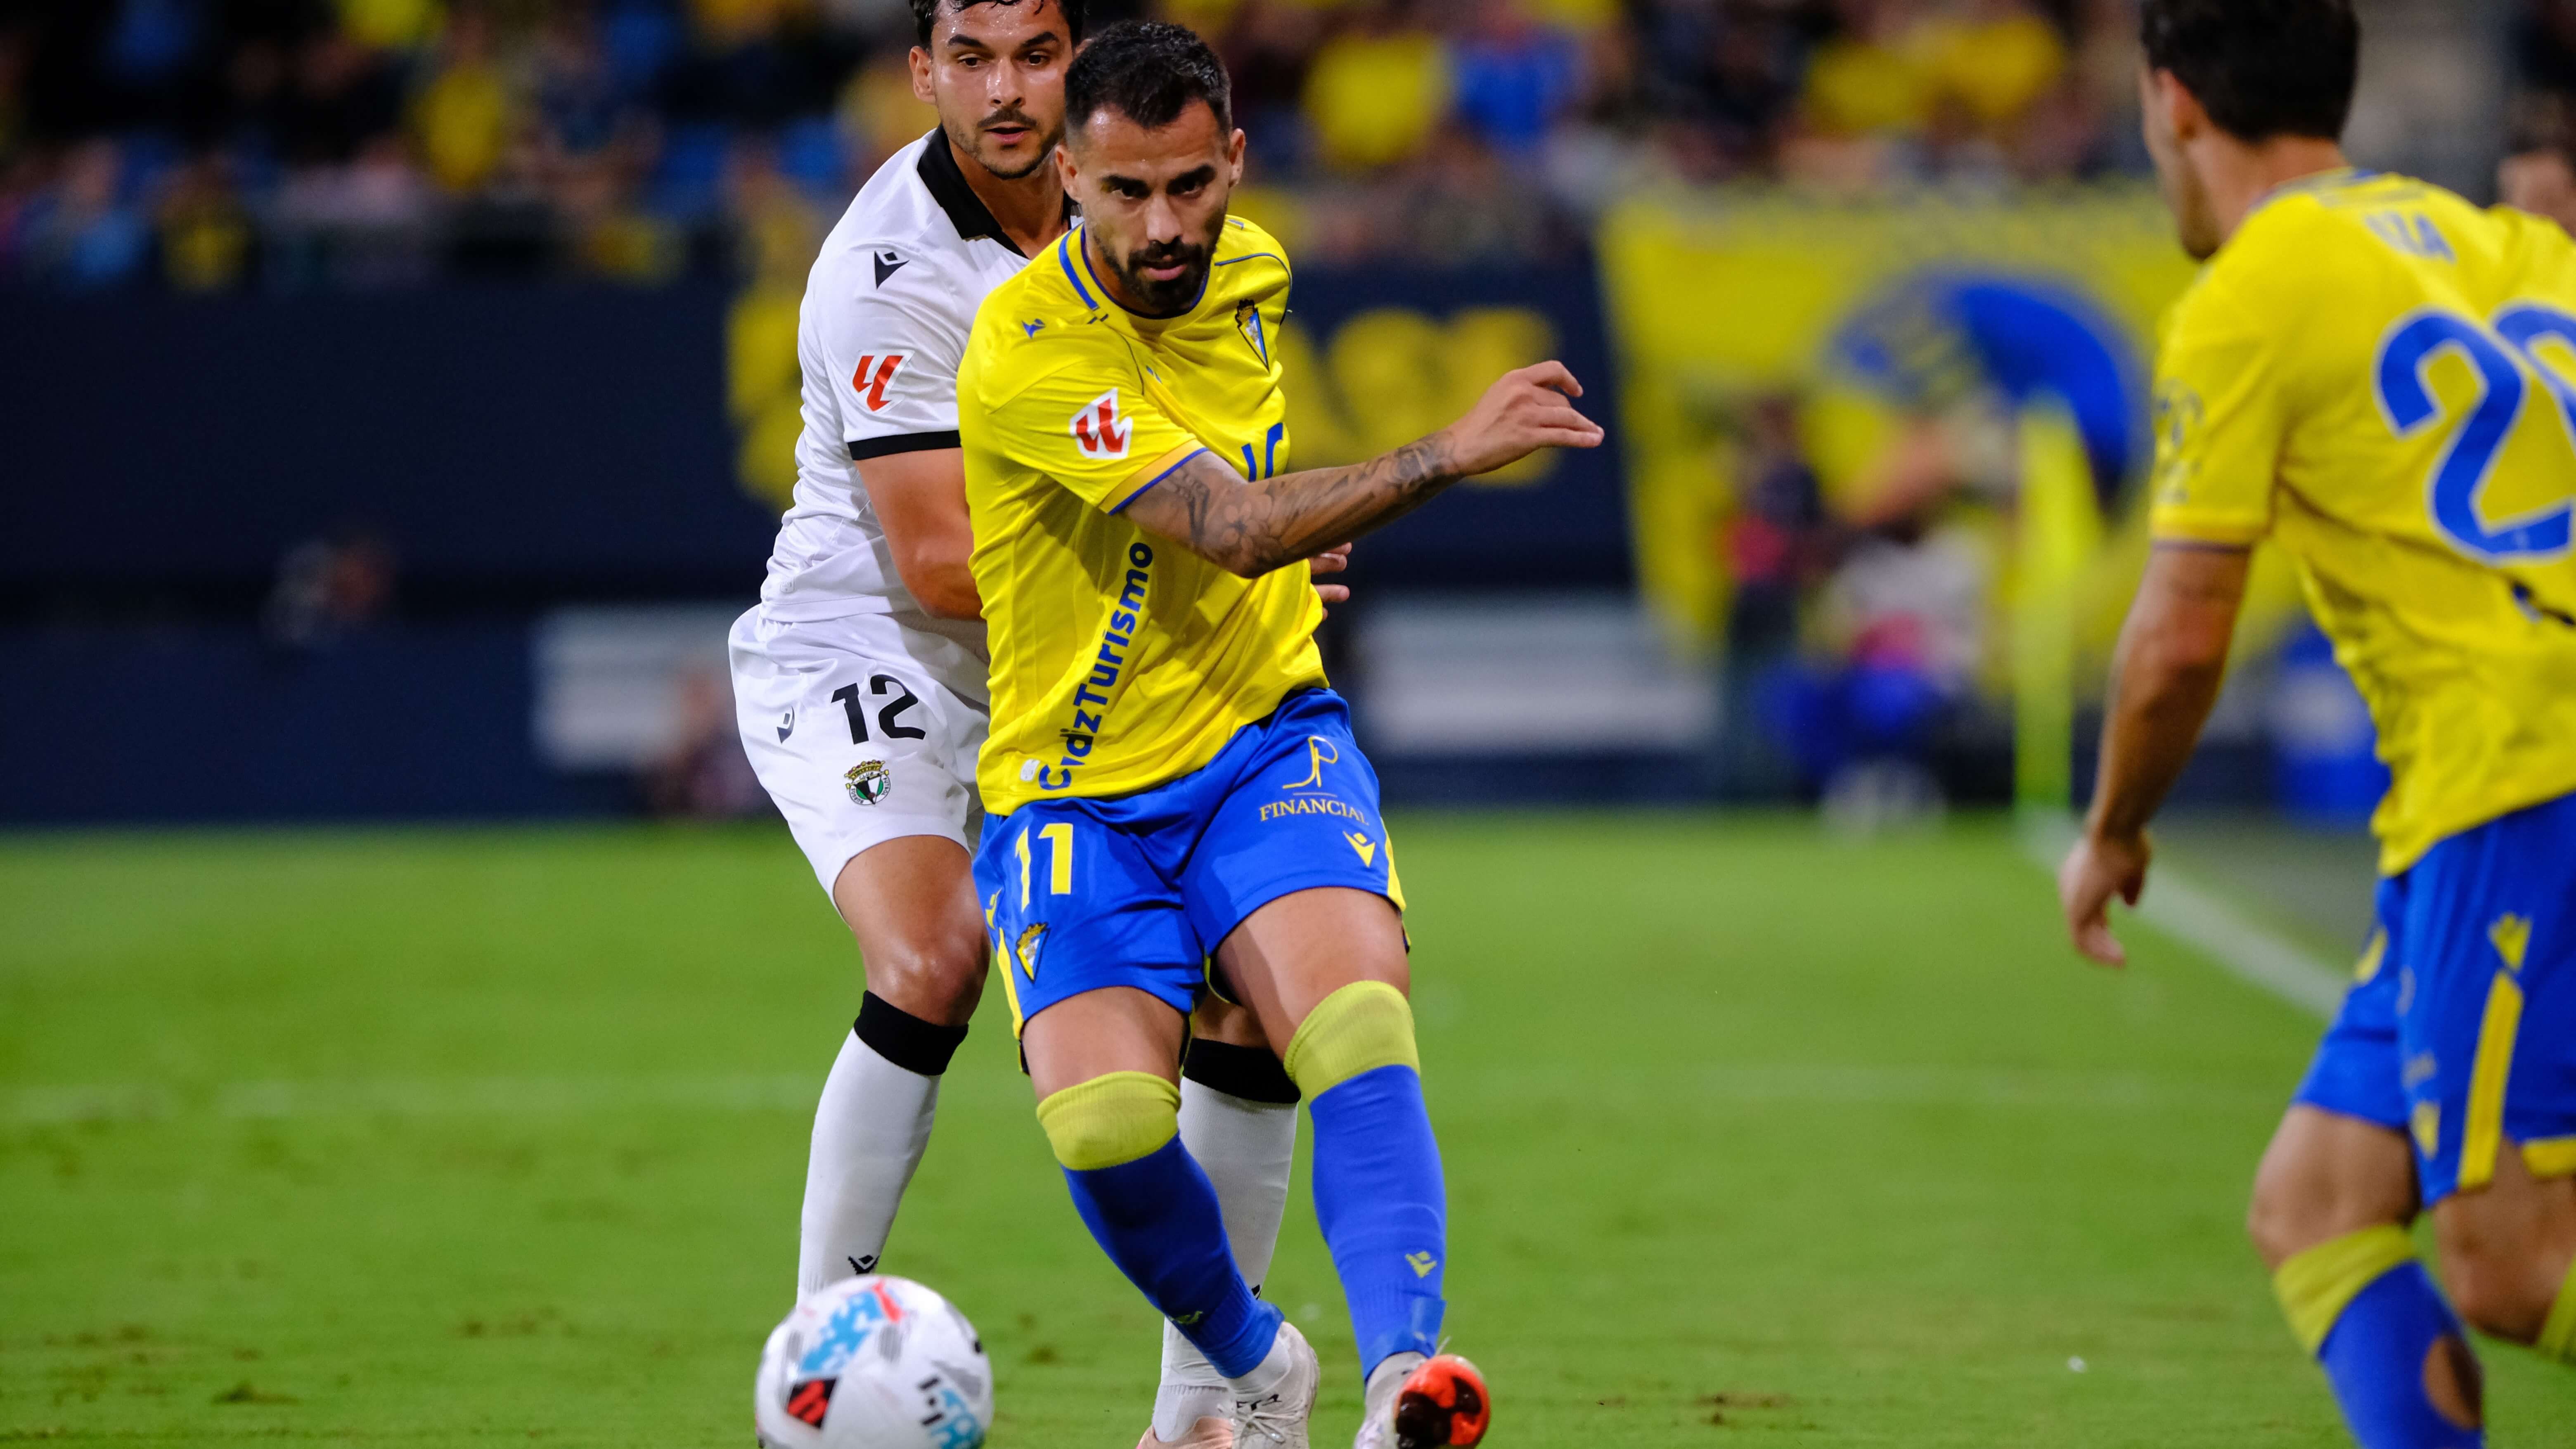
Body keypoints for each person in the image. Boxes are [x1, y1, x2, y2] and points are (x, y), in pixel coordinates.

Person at [956, 21, 1601, 1447]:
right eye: (1125, 193)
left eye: (1192, 185)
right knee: (1104, 1129)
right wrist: (1445, 451)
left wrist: (1247, 557)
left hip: (1261, 735)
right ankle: (1258, 1366)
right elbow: (1233, 523)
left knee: (1358, 1018)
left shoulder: (1254, 272)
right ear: (1067, 177)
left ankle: (1404, 1386)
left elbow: (1227, 490)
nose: (1165, 226)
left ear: (1236, 162)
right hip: (1077, 788)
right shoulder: (1025, 352)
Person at [723, 3, 1345, 1444]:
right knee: (935, 957)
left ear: (1086, 73)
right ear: (923, 71)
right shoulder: (887, 273)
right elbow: (942, 562)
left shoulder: (1145, 217)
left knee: (1236, 996)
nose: (1007, 93)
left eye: (1039, 55)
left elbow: (1208, 463)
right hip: (870, 639)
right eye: (974, 58)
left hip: (1083, 651)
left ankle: (1217, 1406)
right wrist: (1220, 554)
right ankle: (817, 1379)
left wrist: (1228, 543)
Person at [2057, 2, 2576, 1444]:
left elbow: (2177, 642)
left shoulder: (2249, 294)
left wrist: (2114, 830)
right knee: (2319, 1205)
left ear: (2171, 105)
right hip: (2473, 800)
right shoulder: (2504, 247)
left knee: (2514, 1267)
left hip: (2519, 779)